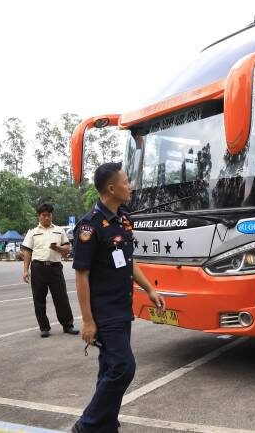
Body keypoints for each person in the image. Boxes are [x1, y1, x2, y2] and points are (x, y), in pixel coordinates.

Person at [71, 162, 165, 433]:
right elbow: (81, 276)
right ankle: (87, 425)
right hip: (105, 311)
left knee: (109, 367)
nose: (130, 186)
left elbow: (128, 260)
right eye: (126, 182)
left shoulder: (123, 220)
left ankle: (105, 425)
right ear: (111, 188)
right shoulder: (89, 227)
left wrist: (149, 289)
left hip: (123, 307)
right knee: (124, 367)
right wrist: (88, 321)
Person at [21, 202, 79, 338]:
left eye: (49, 215)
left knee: (61, 298)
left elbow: (67, 249)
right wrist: (25, 270)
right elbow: (27, 252)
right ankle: (44, 328)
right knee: (39, 299)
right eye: (44, 215)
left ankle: (68, 325)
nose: (47, 218)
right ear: (39, 217)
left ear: (52, 216)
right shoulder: (32, 233)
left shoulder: (59, 230)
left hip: (55, 268)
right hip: (38, 268)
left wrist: (57, 248)